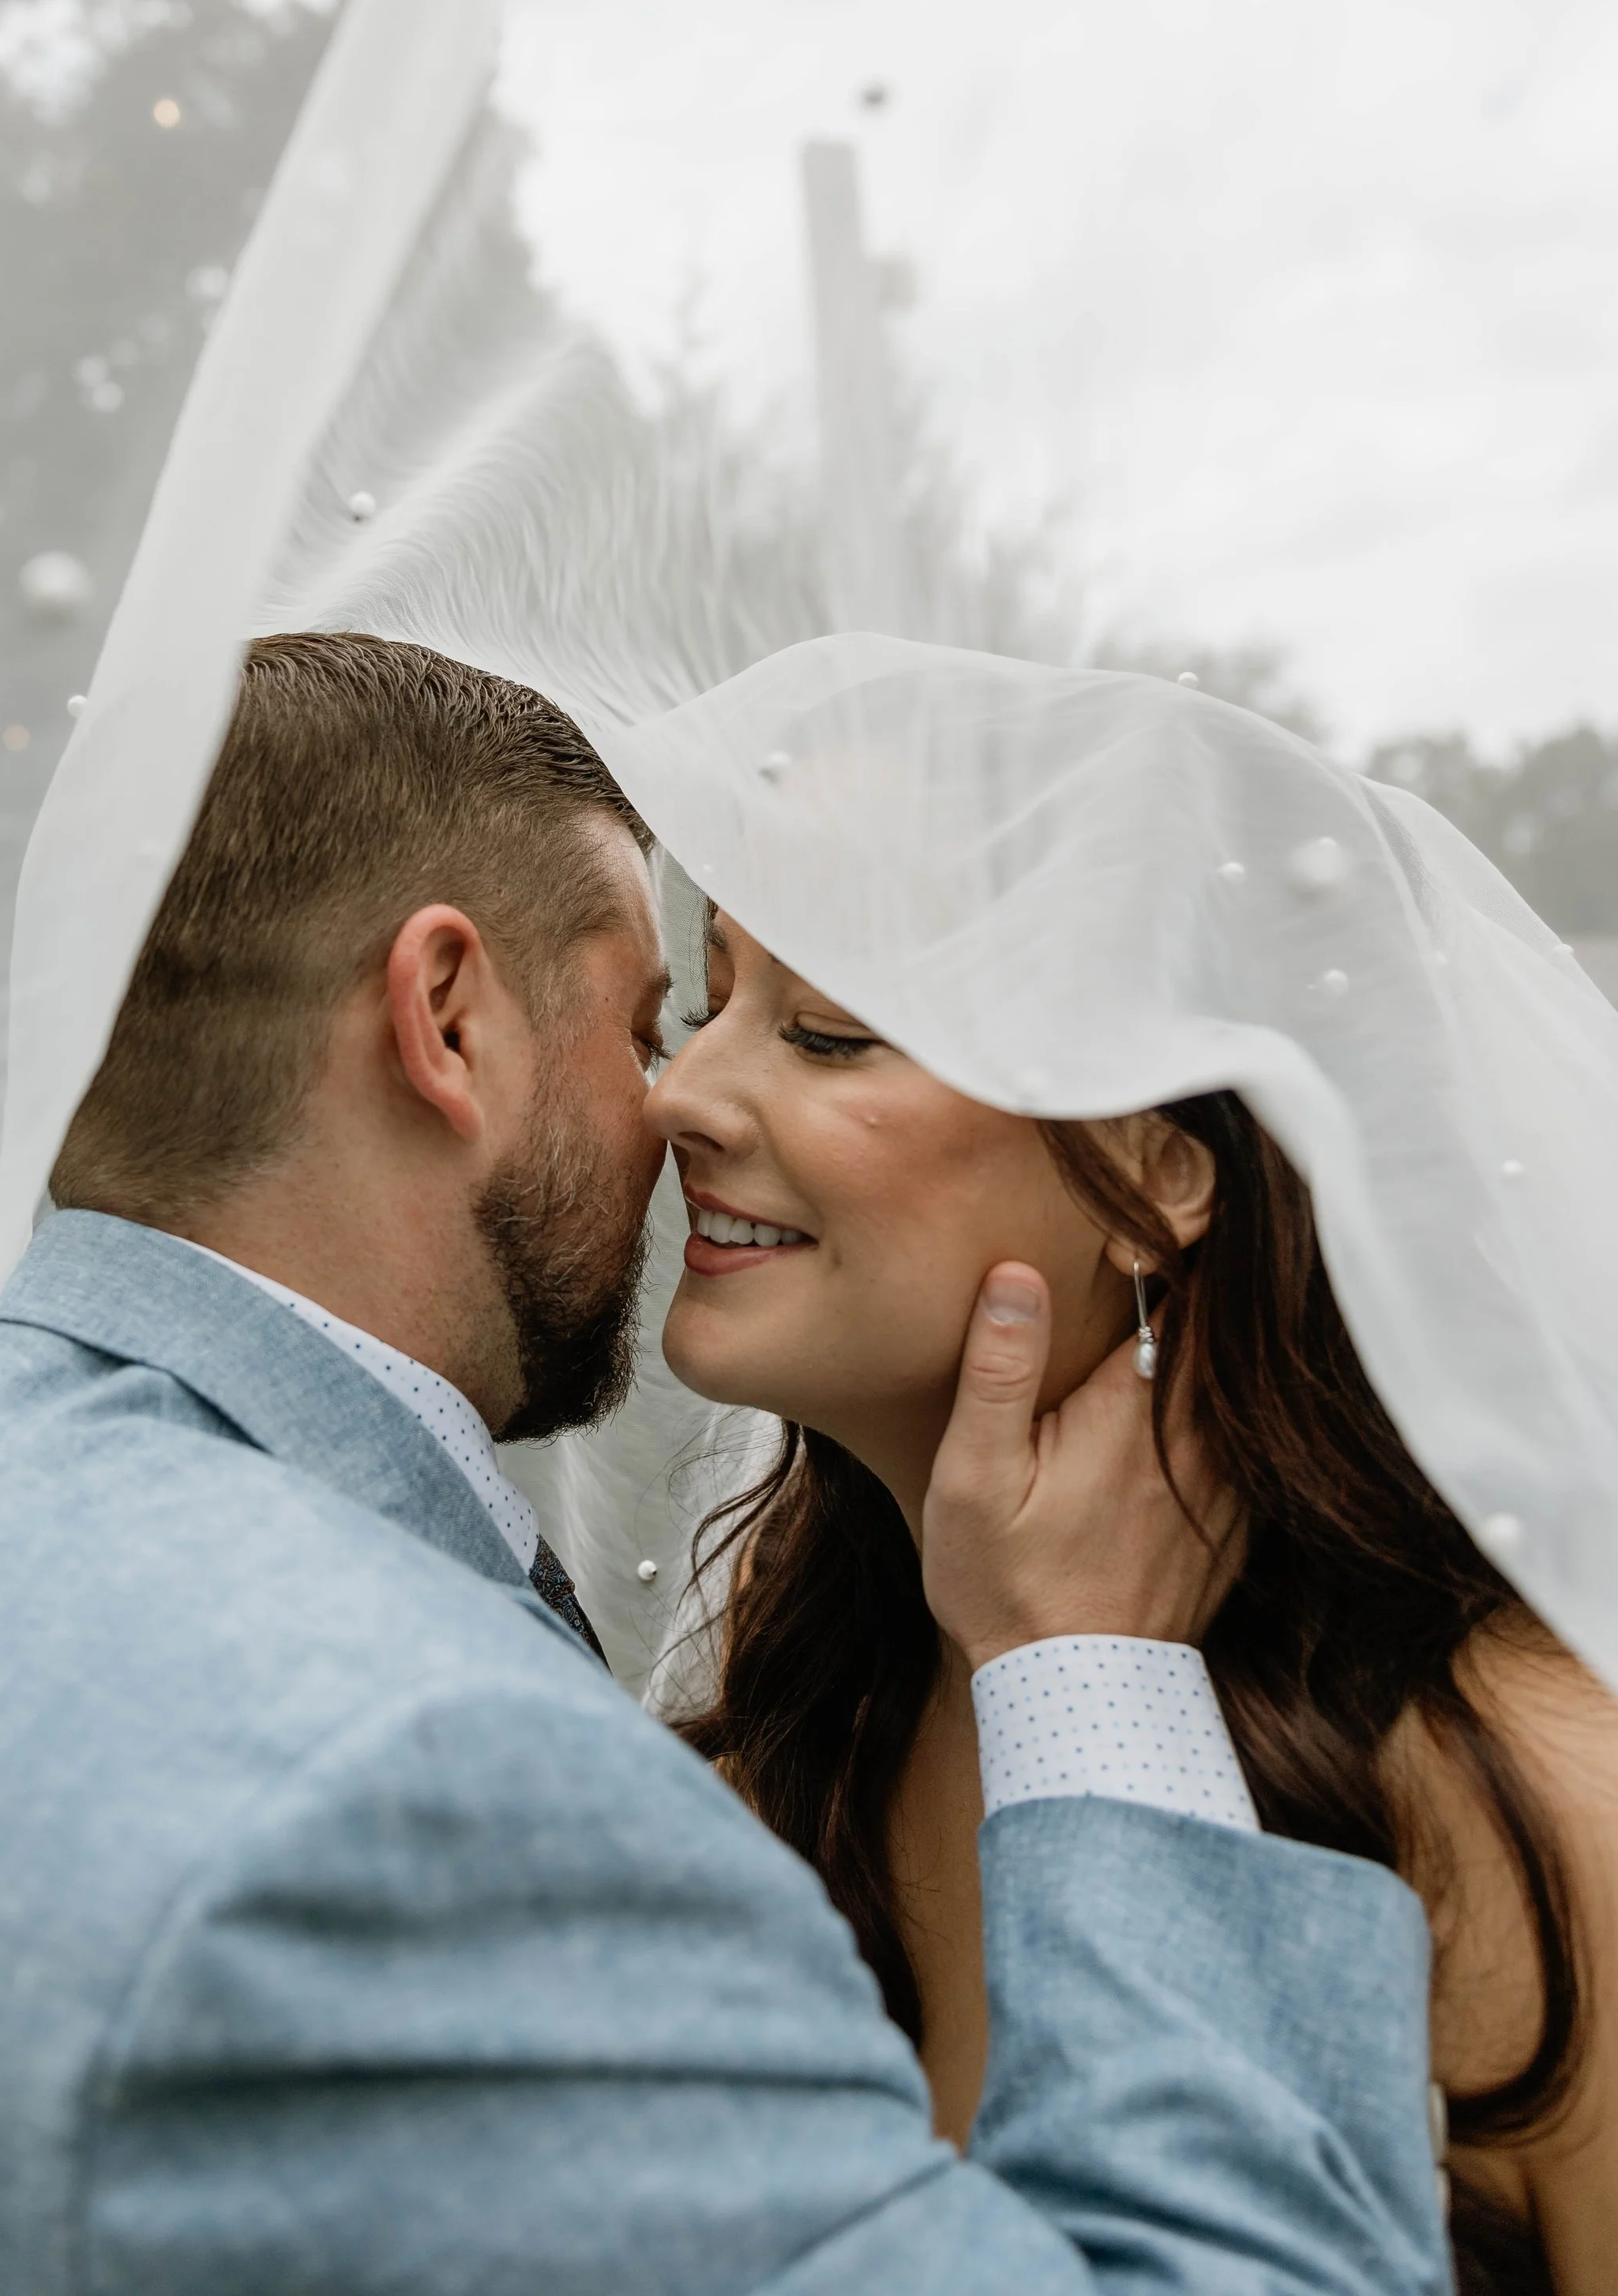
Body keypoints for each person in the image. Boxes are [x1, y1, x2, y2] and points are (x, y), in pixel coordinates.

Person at [0, 633, 1447, 2294]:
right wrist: (1098, 1681)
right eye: (653, 1011)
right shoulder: (412, 1772)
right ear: (443, 1017)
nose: (675, 1101)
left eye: (814, 1028)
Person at [655, 906, 1618, 2296]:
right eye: (706, 1010)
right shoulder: (808, 1668)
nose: (676, 1093)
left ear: (1158, 1170)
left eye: (827, 1035)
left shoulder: (1539, 1802)